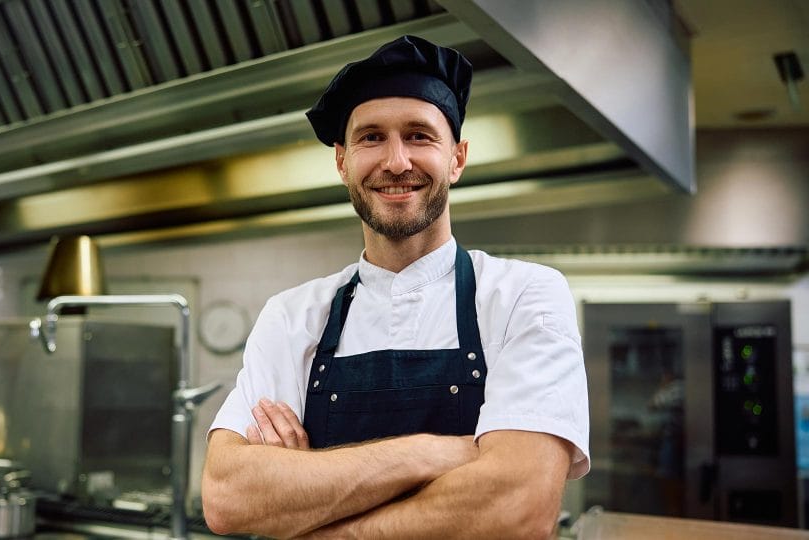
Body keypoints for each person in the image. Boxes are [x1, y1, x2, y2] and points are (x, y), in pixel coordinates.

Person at [201, 35, 589, 539]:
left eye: (419, 135)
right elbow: (228, 497)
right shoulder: (292, 315)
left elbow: (518, 508)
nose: (397, 162)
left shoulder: (523, 296)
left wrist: (309, 507)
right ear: (341, 162)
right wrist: (431, 452)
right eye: (371, 138)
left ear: (457, 158)